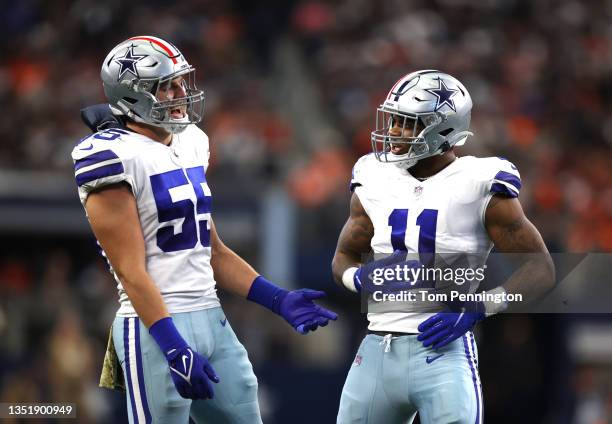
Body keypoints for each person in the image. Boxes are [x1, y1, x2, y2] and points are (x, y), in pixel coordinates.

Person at [72, 35, 337, 424]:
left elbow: (213, 252)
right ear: (135, 95)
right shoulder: (110, 156)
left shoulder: (190, 143)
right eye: (167, 86)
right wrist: (172, 345)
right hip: (154, 326)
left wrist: (278, 300)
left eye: (181, 82)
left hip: (212, 318)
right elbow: (131, 271)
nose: (181, 93)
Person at [332, 70, 555, 423]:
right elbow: (342, 258)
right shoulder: (372, 175)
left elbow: (541, 270)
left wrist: (479, 308)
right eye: (393, 120)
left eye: (405, 123)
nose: (391, 131)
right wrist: (357, 280)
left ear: (442, 130)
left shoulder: (479, 182)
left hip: (443, 352)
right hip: (376, 348)